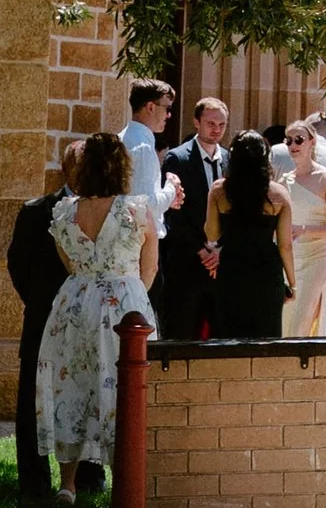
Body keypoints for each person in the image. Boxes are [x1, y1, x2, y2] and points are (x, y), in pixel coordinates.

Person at [37, 129, 159, 507]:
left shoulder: (64, 212)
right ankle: (127, 478)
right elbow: (149, 268)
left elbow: (69, 262)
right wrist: (131, 292)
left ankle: (68, 483)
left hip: (74, 302)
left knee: (72, 384)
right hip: (124, 301)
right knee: (126, 387)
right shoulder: (137, 211)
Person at [6, 147, 77, 508]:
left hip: (84, 324)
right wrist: (37, 302)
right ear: (67, 170)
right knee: (32, 400)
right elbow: (17, 264)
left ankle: (85, 479)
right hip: (43, 315)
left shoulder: (109, 210)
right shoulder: (36, 211)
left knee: (84, 397)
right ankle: (33, 481)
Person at [205, 130, 294, 338]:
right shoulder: (278, 194)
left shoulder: (219, 190)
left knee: (229, 336)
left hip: (232, 269)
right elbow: (285, 245)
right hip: (266, 273)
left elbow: (212, 233)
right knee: (265, 337)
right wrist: (291, 282)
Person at [157, 95, 231, 339]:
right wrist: (201, 250)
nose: (216, 130)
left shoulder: (230, 159)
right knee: (182, 333)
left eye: (221, 125)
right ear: (196, 122)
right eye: (210, 123)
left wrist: (220, 250)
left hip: (220, 266)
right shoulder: (178, 158)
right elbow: (174, 212)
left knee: (221, 335)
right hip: (187, 263)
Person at [278, 121, 326, 341]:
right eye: (288, 140)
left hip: (321, 258)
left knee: (306, 321)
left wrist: (304, 229)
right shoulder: (284, 180)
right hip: (293, 260)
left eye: (299, 139)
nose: (293, 145)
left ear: (312, 142)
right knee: (287, 321)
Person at [117, 82, 174, 205]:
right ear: (150, 108)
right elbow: (144, 206)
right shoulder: (143, 148)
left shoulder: (121, 138)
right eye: (167, 108)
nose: (169, 115)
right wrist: (171, 189)